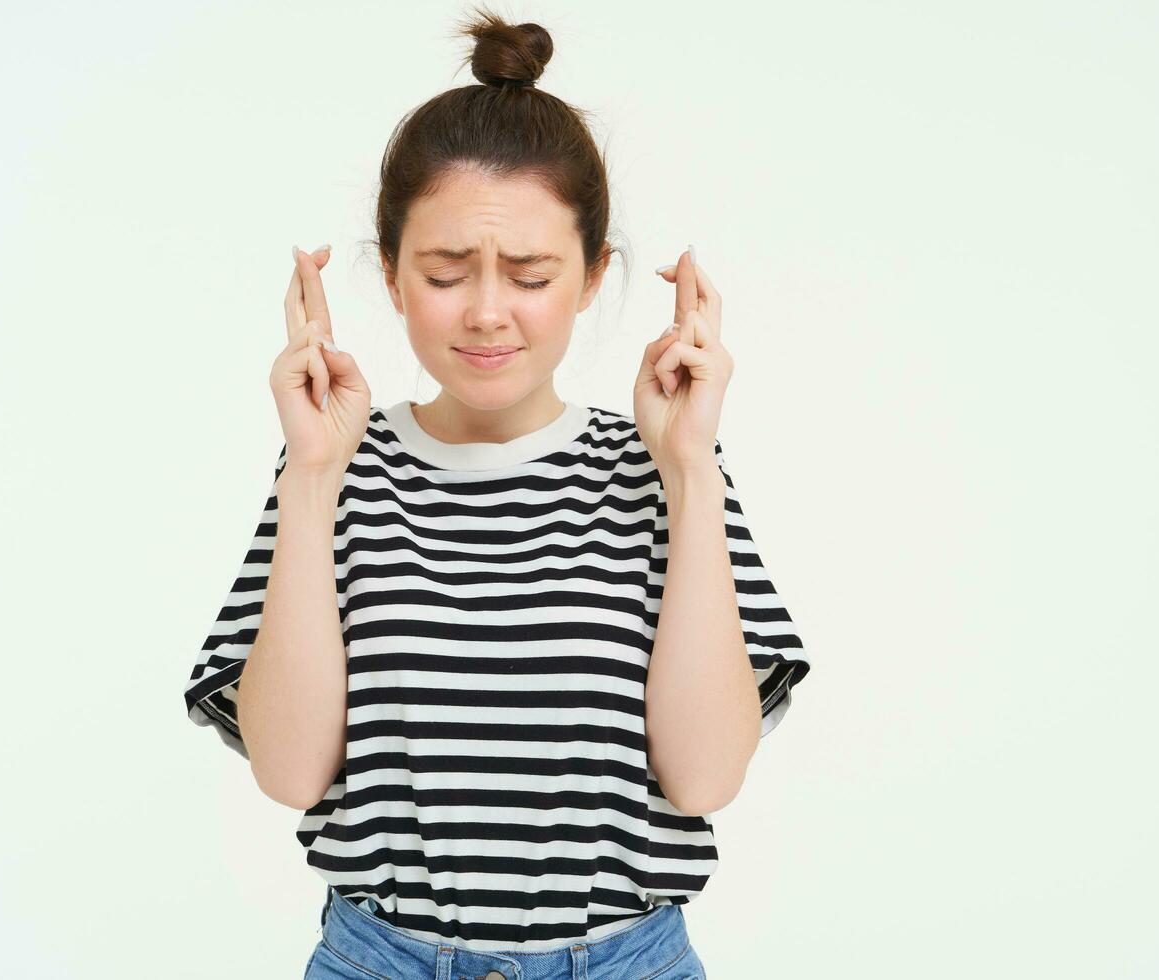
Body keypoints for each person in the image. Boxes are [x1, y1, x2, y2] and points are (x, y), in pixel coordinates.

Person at [183, 9, 811, 978]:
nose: (484, 311)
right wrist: (309, 471)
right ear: (388, 273)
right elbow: (288, 771)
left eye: (528, 274)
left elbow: (704, 776)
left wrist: (687, 465)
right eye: (443, 271)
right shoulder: (332, 467)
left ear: (593, 277)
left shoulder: (661, 469)